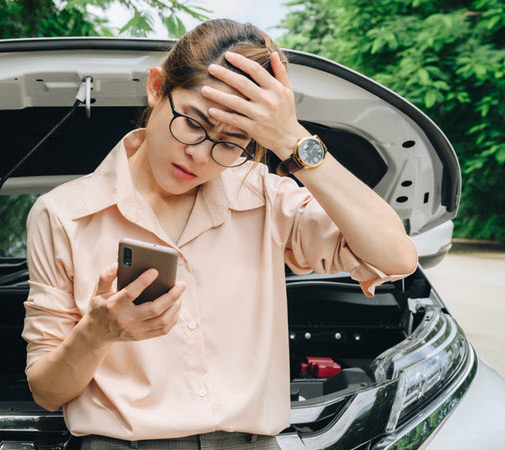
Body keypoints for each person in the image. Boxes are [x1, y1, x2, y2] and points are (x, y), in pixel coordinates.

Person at [21, 18, 418, 450]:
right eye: (192, 123)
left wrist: (293, 139)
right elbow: (47, 391)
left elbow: (395, 257)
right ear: (157, 87)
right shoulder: (64, 214)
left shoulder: (261, 193)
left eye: (230, 143)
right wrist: (95, 334)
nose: (199, 154)